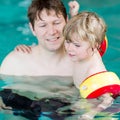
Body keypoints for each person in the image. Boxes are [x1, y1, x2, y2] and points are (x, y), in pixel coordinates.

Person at [63, 11, 120, 119]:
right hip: (82, 93)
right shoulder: (86, 46)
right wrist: (74, 14)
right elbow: (77, 33)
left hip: (99, 109)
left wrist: (91, 113)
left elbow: (108, 100)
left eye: (76, 45)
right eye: (67, 41)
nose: (69, 48)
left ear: (95, 46)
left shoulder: (94, 71)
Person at [0, 0, 79, 76]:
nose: (52, 32)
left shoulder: (82, 61)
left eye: (56, 23)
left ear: (67, 22)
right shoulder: (15, 64)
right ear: (32, 29)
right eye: (43, 25)